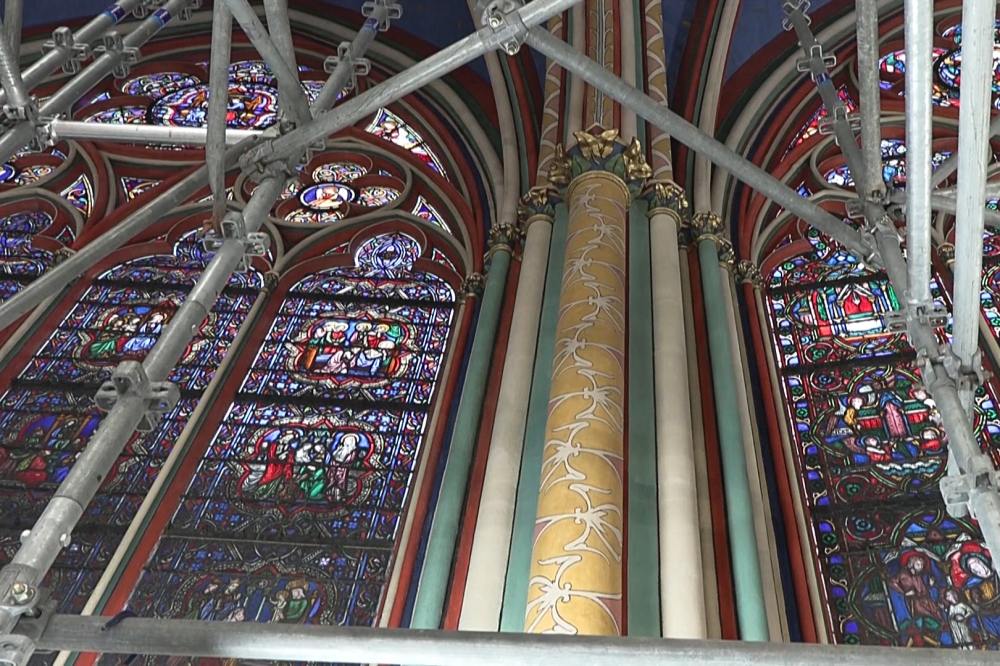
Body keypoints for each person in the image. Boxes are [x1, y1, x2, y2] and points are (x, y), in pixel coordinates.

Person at [889, 551, 943, 631]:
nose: (920, 567)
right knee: (924, 616)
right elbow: (892, 582)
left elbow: (922, 590)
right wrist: (904, 593)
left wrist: (929, 585)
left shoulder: (918, 576)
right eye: (918, 564)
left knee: (937, 615)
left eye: (921, 565)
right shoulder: (903, 574)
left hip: (926, 601)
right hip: (914, 602)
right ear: (911, 563)